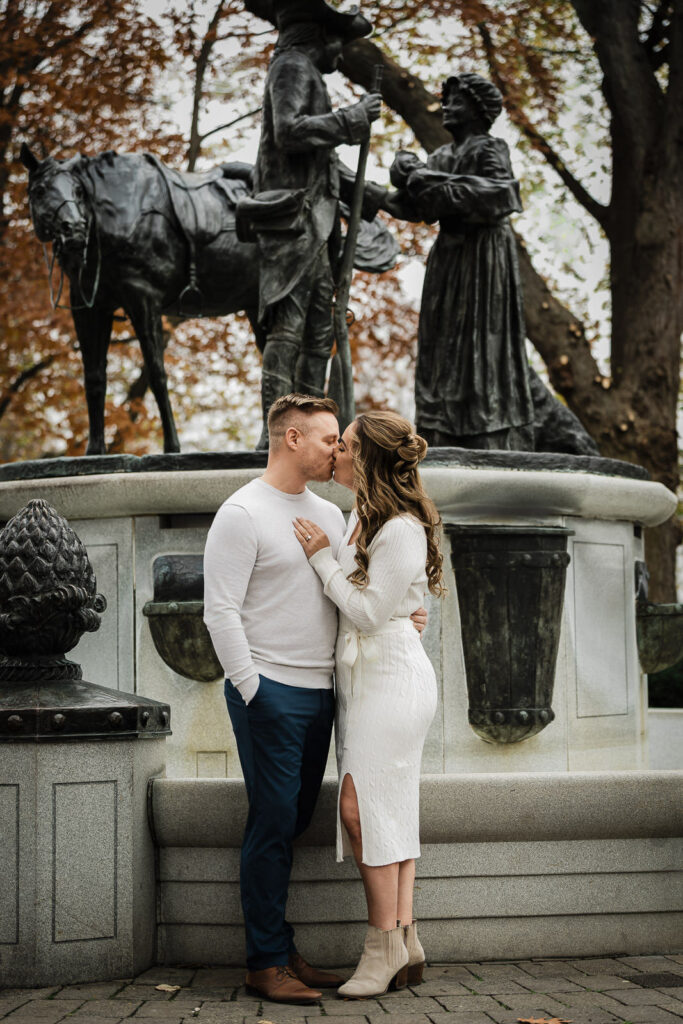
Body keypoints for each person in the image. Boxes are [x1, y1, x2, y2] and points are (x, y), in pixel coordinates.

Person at [203, 394, 426, 1005]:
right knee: (273, 821)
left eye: (343, 441)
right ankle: (266, 961)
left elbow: (366, 592)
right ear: (292, 438)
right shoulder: (242, 512)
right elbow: (219, 612)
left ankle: (283, 947)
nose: (338, 449)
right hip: (270, 692)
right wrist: (252, 689)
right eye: (330, 438)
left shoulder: (331, 515)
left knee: (295, 821)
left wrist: (411, 614)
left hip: (328, 694)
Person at [293, 409, 446, 999]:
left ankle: (380, 944)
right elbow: (386, 600)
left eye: (347, 445)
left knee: (360, 809)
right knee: (389, 809)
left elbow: (364, 611)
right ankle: (406, 940)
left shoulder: (401, 526)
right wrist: (405, 607)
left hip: (392, 681)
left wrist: (322, 559)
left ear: (371, 459)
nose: (337, 452)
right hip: (367, 677)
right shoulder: (363, 515)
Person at [244, 0, 384, 448]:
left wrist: (382, 198)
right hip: (294, 223)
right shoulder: (290, 67)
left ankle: (309, 432)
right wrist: (351, 119)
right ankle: (277, 438)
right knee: (289, 326)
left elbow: (324, 163)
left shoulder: (308, 73)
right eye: (338, 39)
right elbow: (289, 131)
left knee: (319, 332)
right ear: (317, 36)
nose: (342, 54)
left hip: (319, 226)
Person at [382, 72, 535, 450]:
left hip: (484, 258)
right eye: (445, 99)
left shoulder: (489, 149)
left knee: (480, 339)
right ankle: (440, 428)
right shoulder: (441, 156)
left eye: (457, 101)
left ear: (479, 111)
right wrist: (401, 174)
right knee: (442, 342)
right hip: (449, 259)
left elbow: (500, 195)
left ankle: (489, 430)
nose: (446, 107)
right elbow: (417, 206)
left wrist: (419, 175)